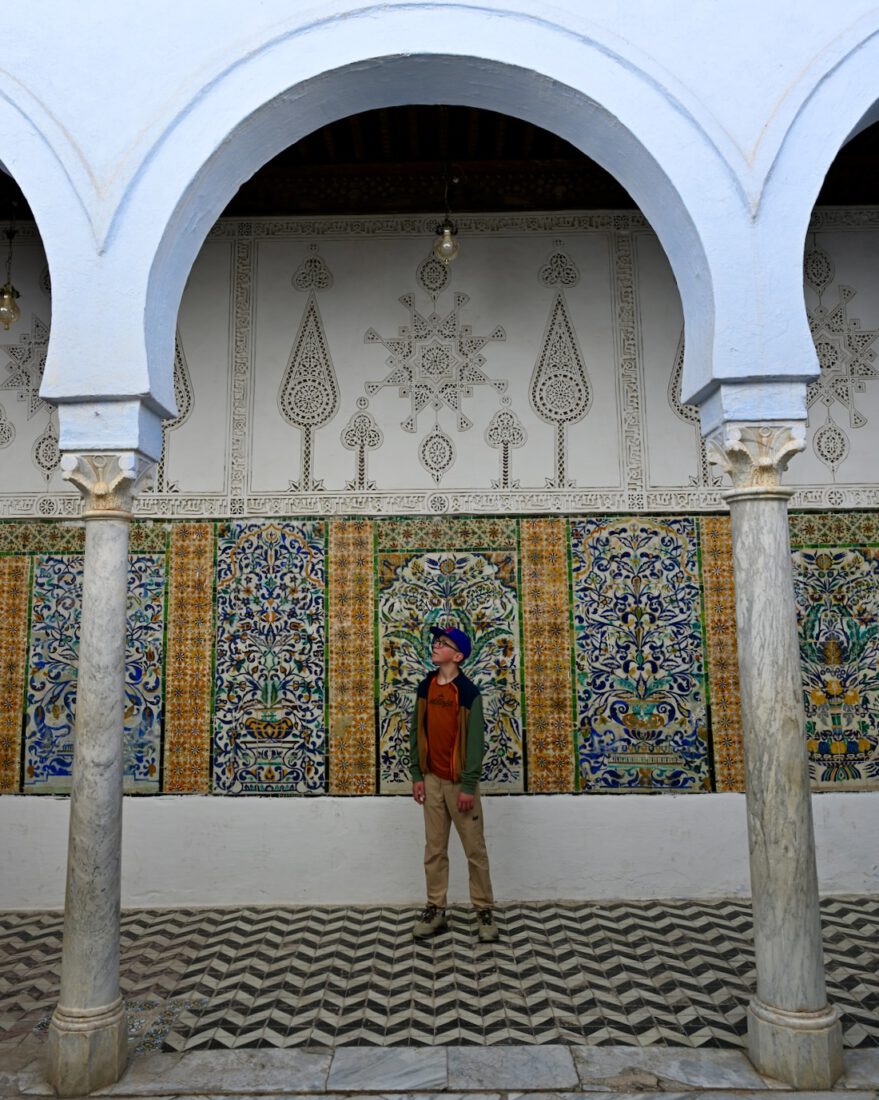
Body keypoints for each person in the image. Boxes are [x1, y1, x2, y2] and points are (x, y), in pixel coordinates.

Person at [409, 624, 498, 942]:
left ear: (457, 656)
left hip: (460, 784)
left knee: (475, 850)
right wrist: (418, 775)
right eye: (436, 641)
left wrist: (467, 785)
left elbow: (475, 744)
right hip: (432, 781)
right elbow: (415, 732)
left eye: (442, 643)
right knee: (434, 849)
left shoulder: (469, 693)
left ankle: (484, 911)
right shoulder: (425, 686)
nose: (435, 646)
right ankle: (436, 909)